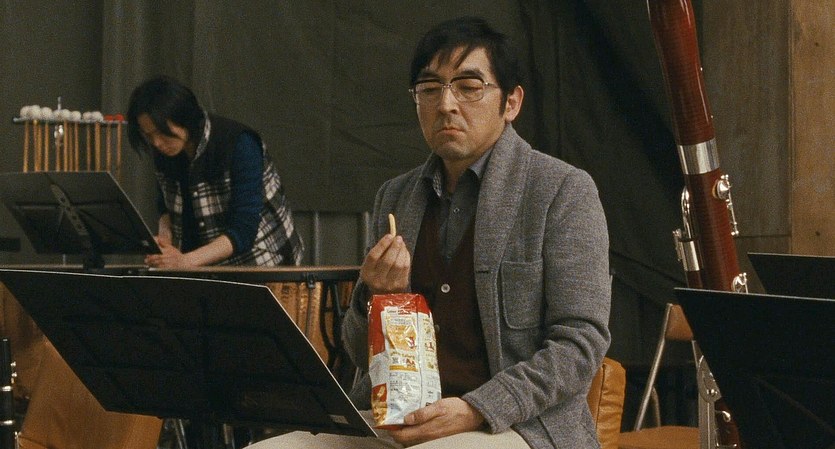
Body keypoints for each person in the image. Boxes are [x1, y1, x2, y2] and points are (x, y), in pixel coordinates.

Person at [246, 16, 610, 449]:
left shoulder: (562, 190)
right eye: (430, 88)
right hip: (403, 415)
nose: (446, 104)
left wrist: (477, 407)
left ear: (511, 103)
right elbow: (359, 353)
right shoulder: (396, 196)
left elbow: (579, 345)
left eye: (469, 87)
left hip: (516, 425)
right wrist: (376, 296)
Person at [126, 76, 303, 268]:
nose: (157, 143)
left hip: (264, 260)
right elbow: (165, 208)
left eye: (162, 132)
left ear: (183, 117)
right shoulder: (165, 150)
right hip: (204, 262)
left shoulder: (239, 143)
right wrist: (164, 241)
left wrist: (185, 261)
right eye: (149, 135)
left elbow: (244, 231)